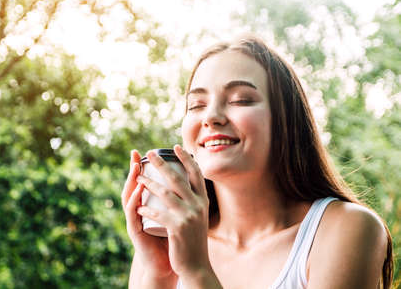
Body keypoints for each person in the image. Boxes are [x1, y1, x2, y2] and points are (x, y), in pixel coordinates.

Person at [121, 35, 393, 289]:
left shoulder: (346, 228)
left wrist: (196, 272)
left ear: (285, 121)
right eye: (196, 105)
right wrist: (158, 274)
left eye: (240, 100)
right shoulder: (164, 245)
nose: (211, 116)